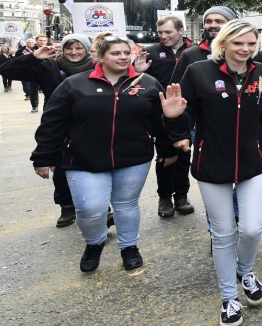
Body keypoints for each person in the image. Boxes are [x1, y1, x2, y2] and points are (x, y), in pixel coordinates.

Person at [161, 20, 262, 326]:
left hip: (253, 163)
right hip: (212, 165)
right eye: (238, 43)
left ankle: (246, 272)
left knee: (252, 229)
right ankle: (229, 298)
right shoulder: (199, 72)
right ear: (223, 44)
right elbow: (181, 113)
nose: (245, 50)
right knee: (224, 233)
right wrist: (173, 120)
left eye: (251, 44)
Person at [29, 37, 173, 272]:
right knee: (90, 209)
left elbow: (159, 120)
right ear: (101, 57)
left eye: (126, 53)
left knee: (126, 205)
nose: (123, 57)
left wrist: (167, 149)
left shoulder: (147, 83)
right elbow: (53, 123)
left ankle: (129, 247)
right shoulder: (75, 84)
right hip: (84, 160)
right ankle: (94, 243)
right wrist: (43, 156)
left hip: (133, 158)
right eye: (116, 53)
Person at [0, 34, 97, 227]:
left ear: (87, 49)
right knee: (60, 168)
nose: (74, 52)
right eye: (69, 48)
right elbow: (6, 70)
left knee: (94, 167)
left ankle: (99, 207)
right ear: (62, 49)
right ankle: (67, 206)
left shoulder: (97, 68)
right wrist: (34, 57)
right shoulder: (50, 66)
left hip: (91, 126)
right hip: (58, 125)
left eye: (79, 48)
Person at [134, 15, 195, 219]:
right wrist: (137, 71)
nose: (163, 36)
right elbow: (133, 81)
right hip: (160, 114)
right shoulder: (150, 52)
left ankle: (182, 196)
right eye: (160, 33)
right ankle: (164, 197)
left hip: (187, 112)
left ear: (181, 31)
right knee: (165, 157)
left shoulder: (193, 52)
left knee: (184, 154)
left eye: (168, 32)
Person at [17, 37, 39, 111]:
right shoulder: (20, 51)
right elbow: (17, 60)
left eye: (32, 42)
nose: (31, 44)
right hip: (26, 71)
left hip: (39, 72)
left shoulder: (39, 49)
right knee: (30, 87)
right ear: (26, 43)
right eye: (29, 43)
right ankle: (34, 105)